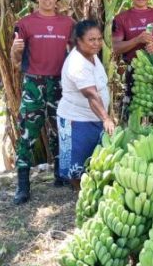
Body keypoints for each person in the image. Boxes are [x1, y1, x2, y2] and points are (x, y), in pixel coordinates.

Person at [10, 0, 75, 205]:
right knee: (27, 133)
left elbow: (77, 51)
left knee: (60, 129)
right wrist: (15, 50)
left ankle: (61, 175)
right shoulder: (25, 23)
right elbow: (15, 60)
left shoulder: (68, 23)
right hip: (33, 83)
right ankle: (23, 185)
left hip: (60, 83)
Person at [57, 20, 115, 190]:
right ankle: (79, 194)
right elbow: (91, 95)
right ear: (79, 41)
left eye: (99, 39)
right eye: (91, 40)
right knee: (76, 165)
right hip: (76, 120)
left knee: (93, 159)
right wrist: (106, 118)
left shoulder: (92, 55)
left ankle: (89, 191)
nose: (97, 43)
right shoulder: (77, 63)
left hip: (94, 117)